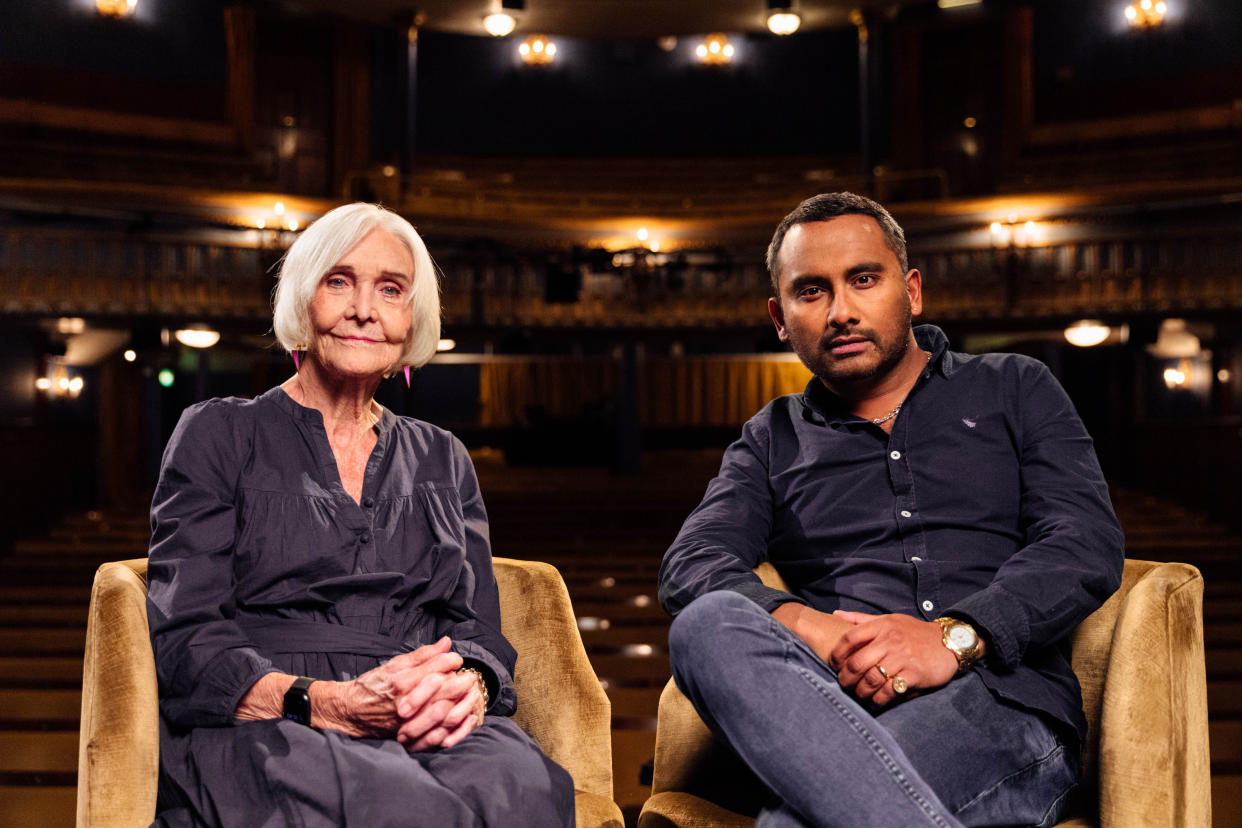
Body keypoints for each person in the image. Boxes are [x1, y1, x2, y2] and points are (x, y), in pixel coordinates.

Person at [659, 192, 1124, 828]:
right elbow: (693, 562)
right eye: (811, 291)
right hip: (834, 698)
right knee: (704, 625)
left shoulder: (1015, 385)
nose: (841, 312)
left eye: (864, 279)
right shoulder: (772, 436)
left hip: (996, 703)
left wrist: (953, 638)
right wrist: (816, 628)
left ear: (911, 290)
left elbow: (1083, 542)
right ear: (779, 315)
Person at [146, 203, 575, 827]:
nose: (364, 310)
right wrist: (328, 702)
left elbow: (479, 631)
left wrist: (467, 689)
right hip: (276, 719)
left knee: (526, 787)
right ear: (303, 299)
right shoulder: (218, 432)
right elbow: (185, 636)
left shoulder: (444, 456)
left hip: (417, 714)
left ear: (411, 319)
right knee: (404, 805)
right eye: (338, 281)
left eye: (390, 289)